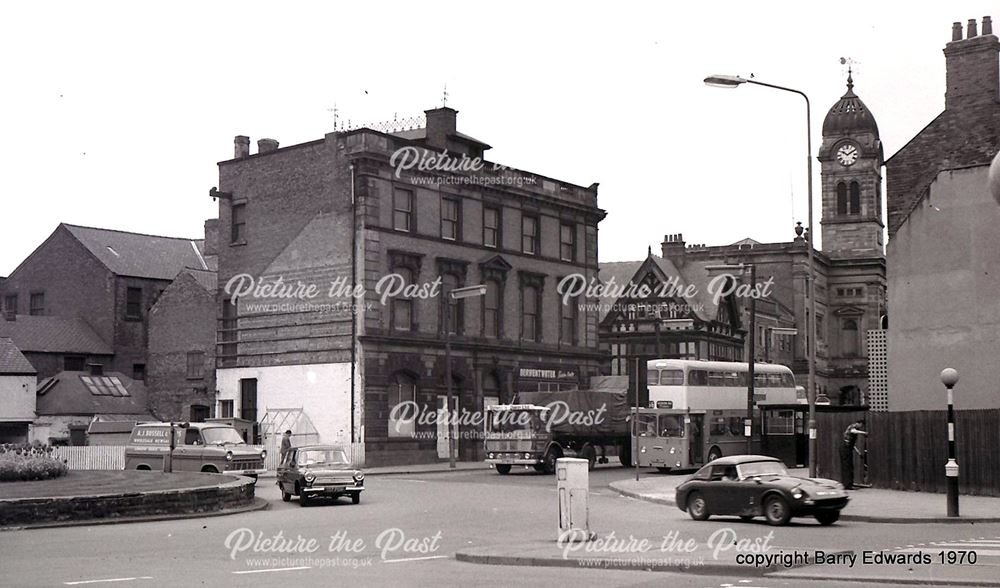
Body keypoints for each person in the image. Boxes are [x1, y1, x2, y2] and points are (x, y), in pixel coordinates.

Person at [840, 419, 867, 489]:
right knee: (847, 466)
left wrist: (858, 453)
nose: (861, 427)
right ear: (859, 423)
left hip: (847, 448)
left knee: (849, 466)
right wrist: (863, 433)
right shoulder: (852, 427)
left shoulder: (854, 430)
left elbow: (853, 445)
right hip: (845, 448)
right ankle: (847, 485)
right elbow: (853, 431)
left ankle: (848, 483)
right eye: (862, 425)